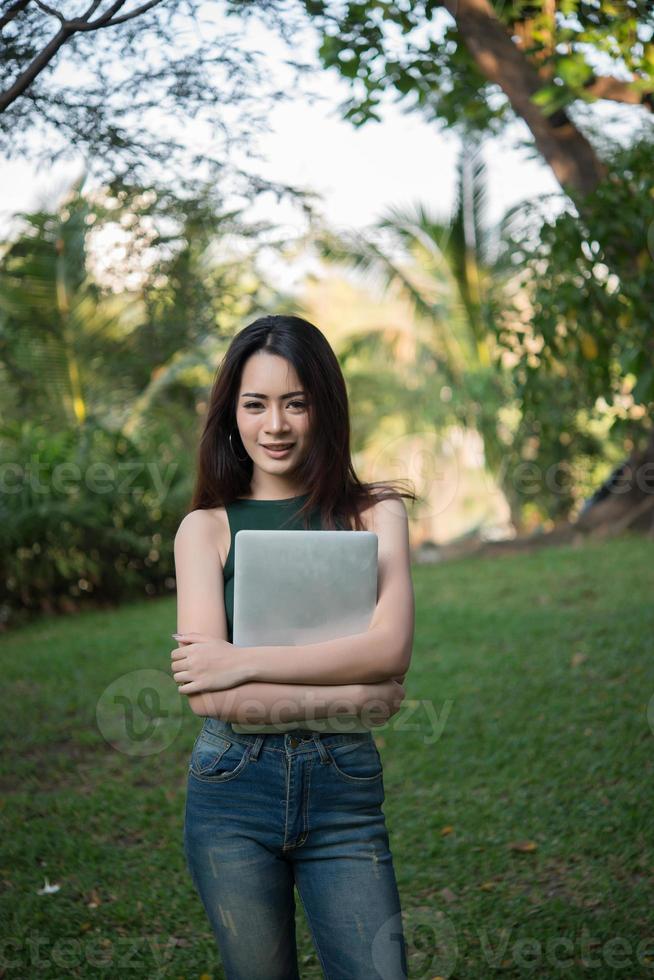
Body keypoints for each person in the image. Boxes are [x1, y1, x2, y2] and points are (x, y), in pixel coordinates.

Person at [171, 314, 417, 979]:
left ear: (323, 409)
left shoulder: (373, 513)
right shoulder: (205, 530)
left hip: (345, 793)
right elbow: (214, 703)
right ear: (232, 413)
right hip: (231, 795)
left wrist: (241, 660)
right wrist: (355, 697)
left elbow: (389, 651)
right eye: (255, 404)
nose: (274, 424)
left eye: (295, 403)